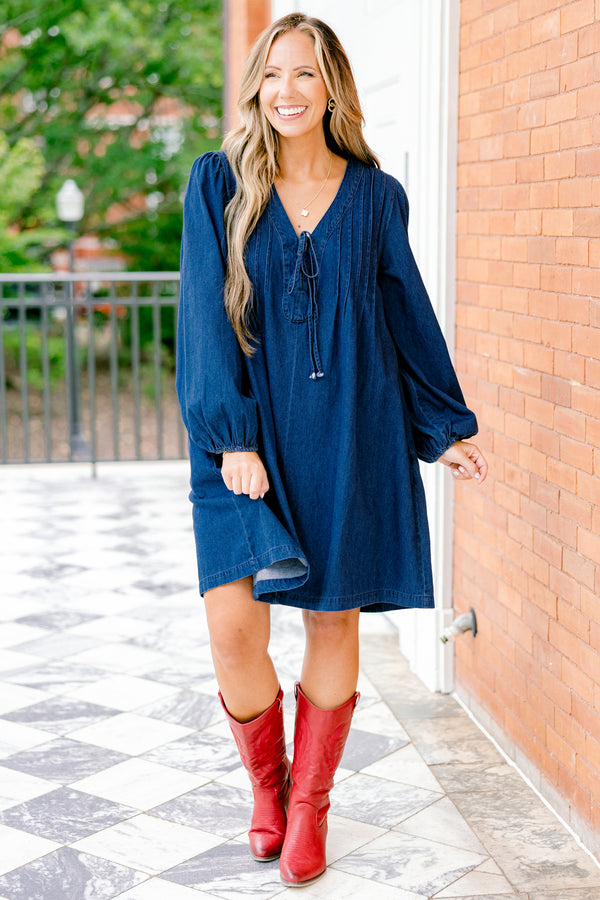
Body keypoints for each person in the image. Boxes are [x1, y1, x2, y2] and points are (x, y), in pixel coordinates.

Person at [176, 12, 488, 888]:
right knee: (234, 627)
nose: (287, 91)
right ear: (255, 88)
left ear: (332, 88)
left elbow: (405, 315)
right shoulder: (217, 185)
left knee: (329, 618)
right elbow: (202, 319)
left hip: (349, 427)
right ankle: (264, 785)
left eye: (305, 75)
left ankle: (306, 808)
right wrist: (231, 440)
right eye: (273, 75)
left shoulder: (376, 197)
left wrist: (446, 425)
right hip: (245, 438)